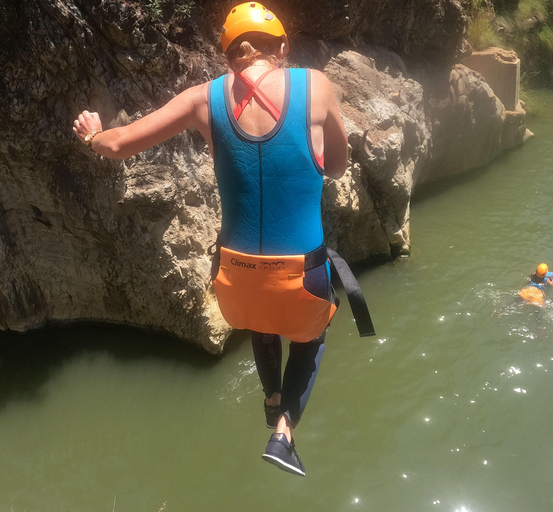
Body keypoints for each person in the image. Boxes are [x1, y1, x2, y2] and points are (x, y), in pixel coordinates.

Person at [73, 2, 372, 476]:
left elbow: (117, 145)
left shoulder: (200, 100)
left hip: (233, 283)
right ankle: (284, 434)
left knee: (260, 314)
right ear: (284, 48)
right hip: (302, 280)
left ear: (229, 56)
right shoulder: (315, 85)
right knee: (311, 336)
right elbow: (335, 167)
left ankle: (271, 396)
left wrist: (92, 136)